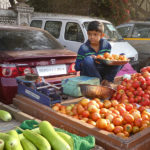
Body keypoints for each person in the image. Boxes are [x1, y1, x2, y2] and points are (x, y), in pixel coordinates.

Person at [75, 21, 122, 86]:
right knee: (88, 59)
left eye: (95, 34)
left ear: (102, 35)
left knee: (122, 57)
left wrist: (102, 59)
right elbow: (76, 67)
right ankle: (99, 82)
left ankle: (107, 80)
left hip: (102, 72)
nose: (91, 37)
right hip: (89, 75)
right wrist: (89, 60)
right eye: (89, 34)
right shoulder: (83, 48)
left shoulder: (106, 45)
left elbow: (107, 61)